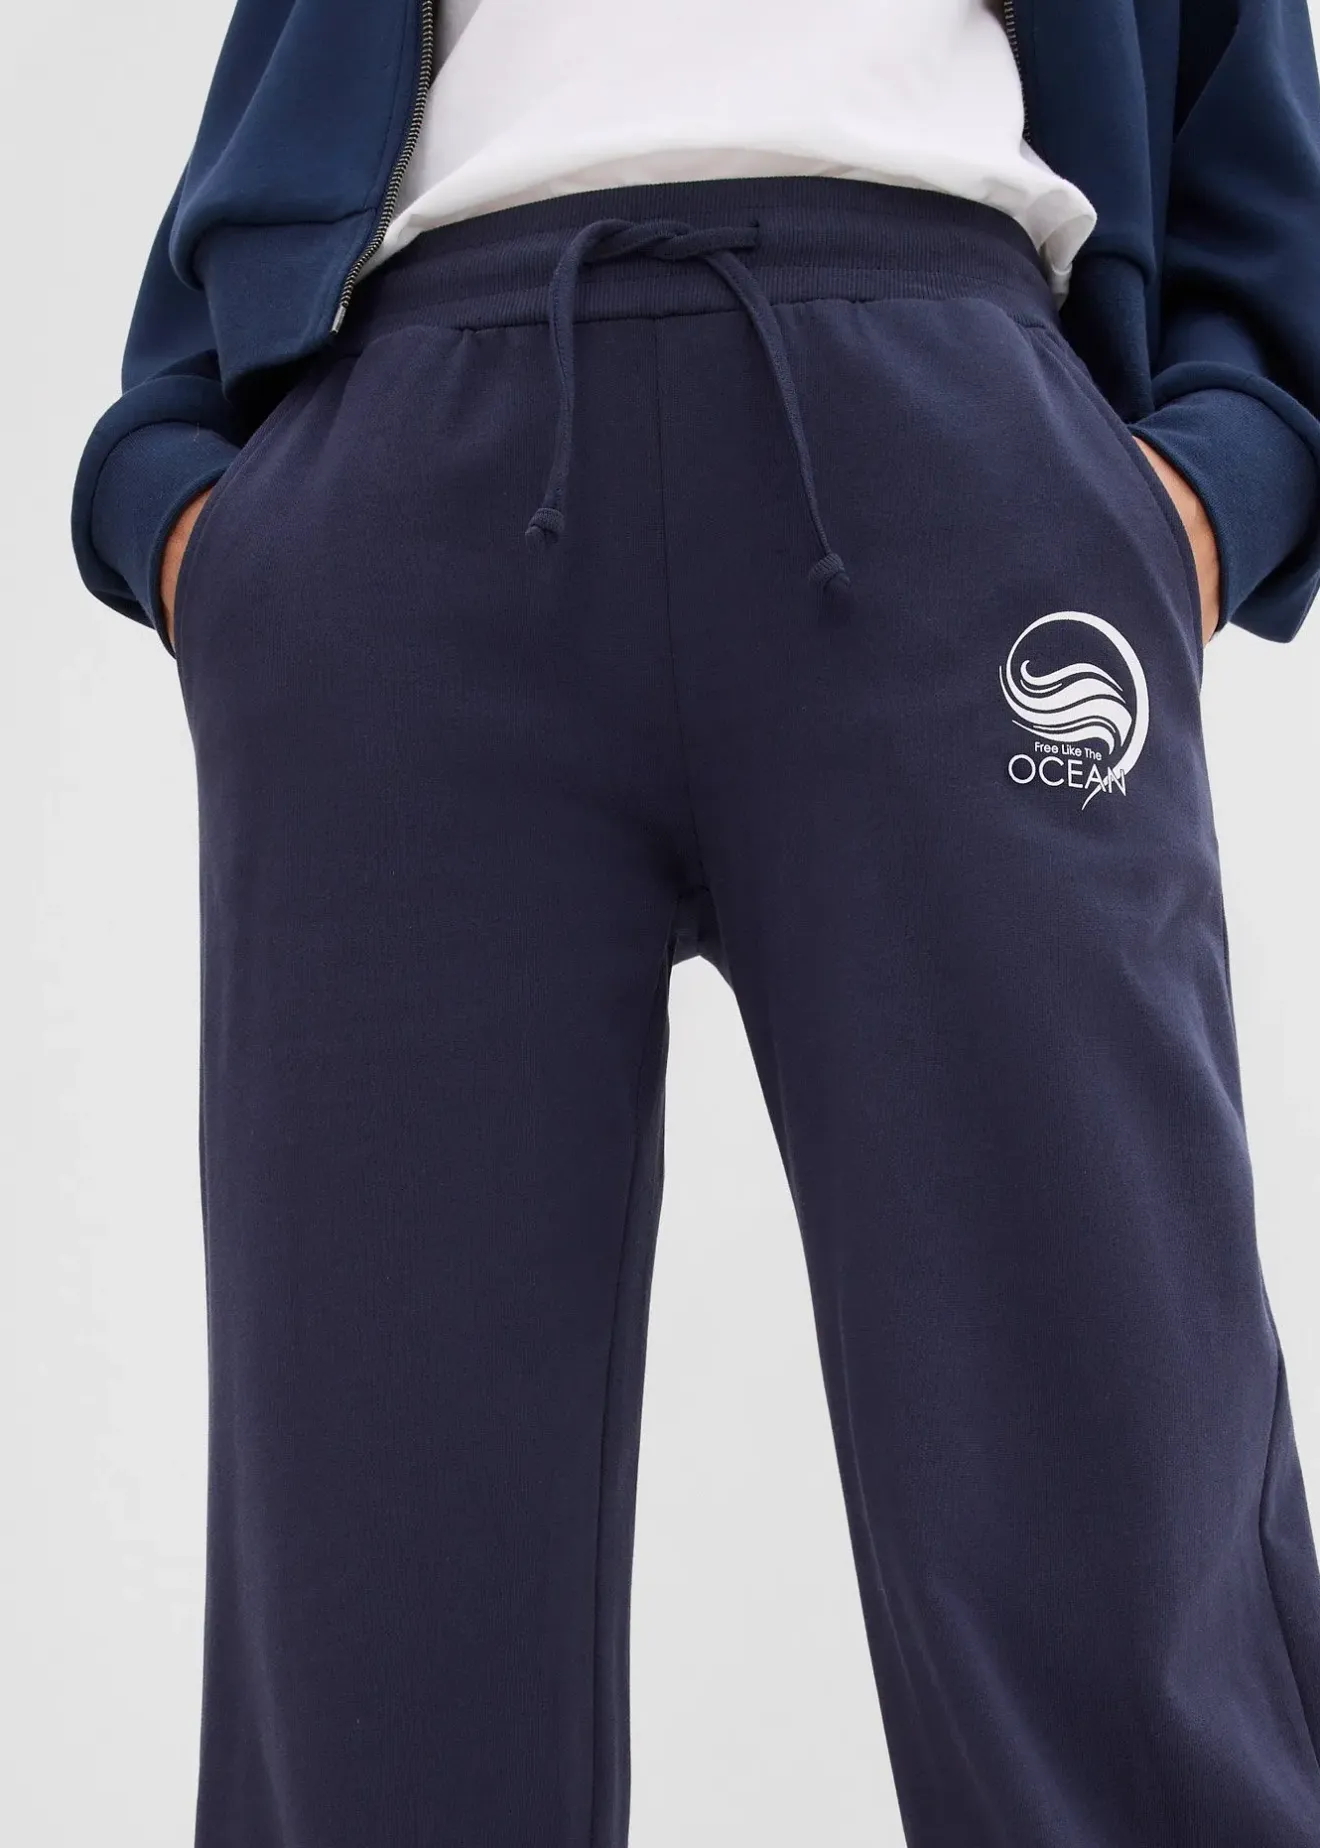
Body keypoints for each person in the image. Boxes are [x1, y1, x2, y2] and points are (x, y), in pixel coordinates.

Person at [70, 2, 1320, 1843]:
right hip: (407, 505)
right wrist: (200, 518)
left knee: (1113, 1494)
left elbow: (1242, 142)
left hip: (955, 468)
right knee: (377, 1577)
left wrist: (1199, 489)